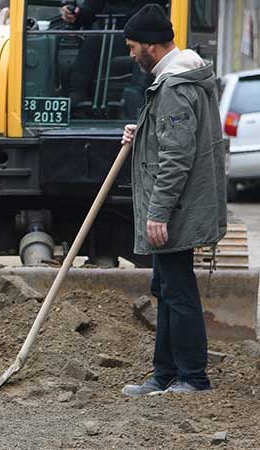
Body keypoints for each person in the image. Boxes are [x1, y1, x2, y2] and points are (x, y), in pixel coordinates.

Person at [119, 4, 225, 397]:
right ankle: (164, 374)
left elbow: (177, 157)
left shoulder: (175, 87)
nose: (131, 54)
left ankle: (193, 377)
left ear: (151, 45)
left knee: (178, 290)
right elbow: (176, 139)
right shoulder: (179, 80)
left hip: (176, 208)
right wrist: (142, 131)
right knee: (165, 286)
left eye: (133, 47)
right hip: (180, 205)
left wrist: (158, 212)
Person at [60, 0, 160, 106]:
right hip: (111, 33)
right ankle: (76, 94)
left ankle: (137, 95)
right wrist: (76, 14)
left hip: (144, 34)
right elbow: (90, 10)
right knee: (92, 39)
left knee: (145, 45)